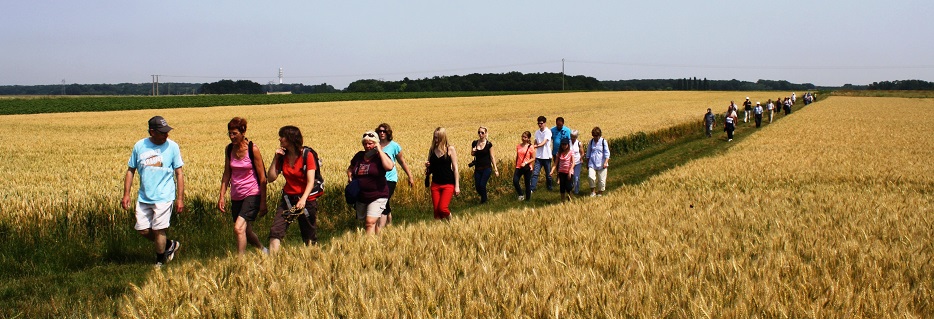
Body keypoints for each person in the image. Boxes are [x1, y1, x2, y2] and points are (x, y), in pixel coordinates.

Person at [121, 116, 185, 268]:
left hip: (164, 196)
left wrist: (180, 198)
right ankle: (170, 245)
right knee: (142, 229)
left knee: (158, 229)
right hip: (144, 196)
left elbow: (179, 173)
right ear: (152, 132)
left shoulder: (173, 147)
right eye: (162, 132)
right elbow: (131, 170)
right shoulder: (139, 146)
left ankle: (159, 261)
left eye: (167, 132)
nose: (166, 135)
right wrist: (126, 194)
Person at [266, 126, 322, 253]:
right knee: (276, 231)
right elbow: (270, 178)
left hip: (306, 200)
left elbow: (310, 181)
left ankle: (313, 259)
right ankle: (271, 262)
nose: (280, 139)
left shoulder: (307, 155)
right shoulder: (282, 156)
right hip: (288, 198)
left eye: (282, 136)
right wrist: (275, 158)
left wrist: (303, 200)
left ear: (291, 139)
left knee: (308, 236)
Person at [218, 117, 268, 256]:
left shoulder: (253, 149)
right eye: (230, 133)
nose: (232, 137)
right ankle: (263, 250)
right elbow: (227, 174)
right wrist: (221, 196)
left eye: (235, 133)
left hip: (252, 193)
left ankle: (240, 262)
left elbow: (262, 177)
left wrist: (263, 202)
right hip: (236, 195)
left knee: (238, 228)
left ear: (243, 132)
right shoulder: (229, 149)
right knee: (246, 231)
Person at [348, 131, 394, 235]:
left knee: (369, 222)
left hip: (378, 194)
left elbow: (389, 167)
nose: (367, 146)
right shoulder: (359, 156)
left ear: (376, 143)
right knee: (370, 223)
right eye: (365, 144)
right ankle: (378, 242)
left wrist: (380, 151)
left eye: (370, 143)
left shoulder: (381, 156)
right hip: (362, 196)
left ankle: (369, 247)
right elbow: (350, 168)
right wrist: (350, 176)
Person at [375, 123, 414, 228]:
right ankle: (389, 224)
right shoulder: (375, 145)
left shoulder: (394, 146)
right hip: (377, 179)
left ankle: (380, 229)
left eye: (384, 131)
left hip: (390, 179)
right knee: (384, 202)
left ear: (388, 133)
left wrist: (410, 176)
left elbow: (402, 162)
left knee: (383, 201)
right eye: (380, 131)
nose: (382, 133)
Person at [425, 127, 460, 220]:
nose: (435, 139)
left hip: (448, 183)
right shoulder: (432, 150)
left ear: (442, 137)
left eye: (437, 137)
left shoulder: (450, 149)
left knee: (443, 208)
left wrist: (457, 186)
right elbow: (430, 168)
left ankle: (451, 223)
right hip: (435, 184)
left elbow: (455, 168)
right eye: (434, 137)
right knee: (436, 212)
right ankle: (439, 231)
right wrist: (427, 165)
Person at [470, 126, 499, 204]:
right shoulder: (475, 143)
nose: (480, 134)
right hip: (477, 168)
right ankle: (484, 197)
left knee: (482, 185)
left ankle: (483, 201)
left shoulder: (489, 144)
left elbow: (492, 157)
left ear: (486, 134)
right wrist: (473, 151)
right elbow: (472, 154)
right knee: (477, 187)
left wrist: (495, 169)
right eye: (479, 132)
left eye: (482, 132)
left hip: (487, 168)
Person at [531, 116, 553, 191]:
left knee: (548, 175)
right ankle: (532, 189)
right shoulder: (537, 132)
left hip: (546, 156)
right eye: (538, 123)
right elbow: (536, 141)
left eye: (541, 123)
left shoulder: (548, 132)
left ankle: (549, 188)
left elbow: (544, 142)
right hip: (538, 156)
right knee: (535, 173)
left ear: (544, 123)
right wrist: (533, 147)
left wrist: (536, 146)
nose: (540, 125)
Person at [587, 127, 610, 197]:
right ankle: (593, 192)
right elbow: (588, 153)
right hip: (592, 163)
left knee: (602, 180)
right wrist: (587, 163)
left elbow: (607, 153)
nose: (595, 137)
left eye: (596, 136)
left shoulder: (603, 142)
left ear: (599, 135)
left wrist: (605, 162)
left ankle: (600, 193)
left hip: (602, 164)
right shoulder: (591, 142)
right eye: (594, 136)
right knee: (591, 177)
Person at [513, 131, 536, 201]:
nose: (523, 138)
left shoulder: (531, 147)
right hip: (519, 167)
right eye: (522, 136)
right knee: (515, 181)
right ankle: (521, 194)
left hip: (527, 168)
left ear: (528, 138)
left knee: (527, 184)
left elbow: (533, 158)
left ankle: (528, 199)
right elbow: (518, 156)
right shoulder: (518, 146)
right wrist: (516, 163)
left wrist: (525, 162)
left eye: (525, 137)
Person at [569, 130, 584, 195]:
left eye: (574, 137)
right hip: (569, 163)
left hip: (577, 162)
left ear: (577, 136)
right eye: (572, 136)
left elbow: (582, 153)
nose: (573, 138)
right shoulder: (568, 143)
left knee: (576, 177)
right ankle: (570, 189)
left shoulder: (579, 143)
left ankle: (576, 191)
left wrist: (581, 157)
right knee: (570, 177)